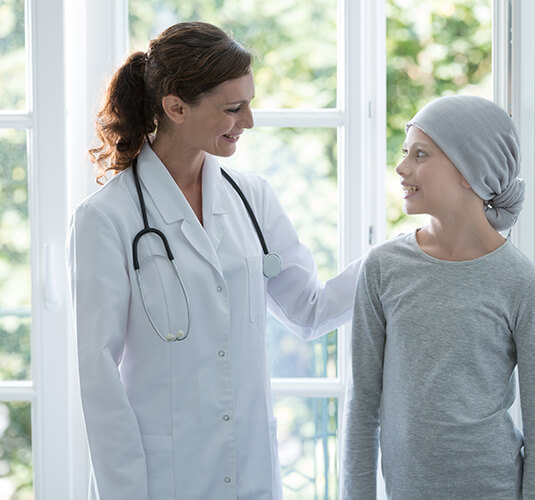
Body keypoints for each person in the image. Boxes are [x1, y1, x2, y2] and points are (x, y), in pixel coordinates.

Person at [67, 22, 359, 500]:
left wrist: (399, 252)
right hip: (164, 477)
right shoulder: (106, 218)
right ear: (176, 107)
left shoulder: (252, 197)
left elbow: (308, 309)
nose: (249, 122)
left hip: (250, 468)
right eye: (232, 108)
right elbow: (98, 380)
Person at [342, 95, 535, 499]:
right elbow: (362, 406)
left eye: (420, 154)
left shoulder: (524, 284)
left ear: (469, 171)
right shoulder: (382, 267)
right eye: (405, 152)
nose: (402, 167)